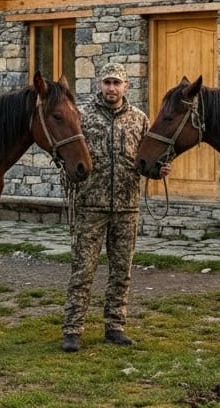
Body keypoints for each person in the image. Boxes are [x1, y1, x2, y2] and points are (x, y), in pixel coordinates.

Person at [61, 61, 170, 352]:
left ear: (126, 86)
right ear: (100, 84)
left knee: (122, 271)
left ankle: (115, 325)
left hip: (127, 207)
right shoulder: (82, 117)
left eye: (117, 83)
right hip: (91, 206)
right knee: (83, 270)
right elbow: (69, 156)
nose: (112, 88)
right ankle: (73, 329)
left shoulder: (140, 119)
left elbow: (145, 161)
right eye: (107, 82)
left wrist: (157, 171)